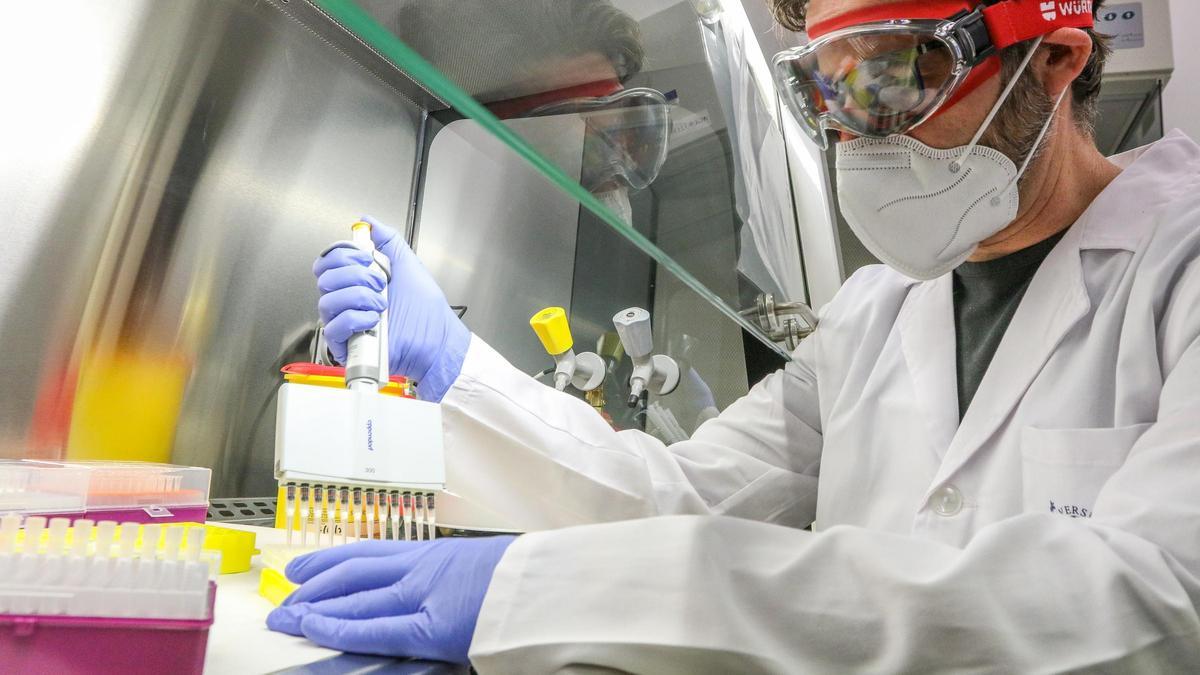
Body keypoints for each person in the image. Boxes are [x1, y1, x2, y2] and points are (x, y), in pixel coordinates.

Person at [268, 0, 1200, 671]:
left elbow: (1157, 604)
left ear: (1055, 55)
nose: (855, 137)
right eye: (825, 92)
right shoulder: (873, 315)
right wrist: (460, 371)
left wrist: (561, 591)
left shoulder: (1182, 265)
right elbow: (675, 495)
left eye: (889, 75)